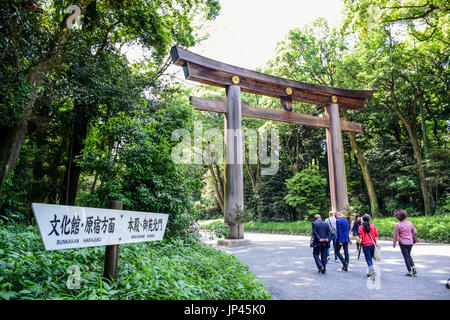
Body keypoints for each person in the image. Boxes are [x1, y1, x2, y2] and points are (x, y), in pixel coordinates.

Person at [393, 209, 418, 277]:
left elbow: (396, 235)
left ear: (398, 217)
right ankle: (413, 267)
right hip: (410, 242)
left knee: (406, 256)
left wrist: (394, 243)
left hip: (403, 243)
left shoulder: (398, 225)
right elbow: (415, 231)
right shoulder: (410, 223)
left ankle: (409, 271)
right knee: (408, 255)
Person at [358, 214, 379, 279]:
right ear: (369, 219)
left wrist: (359, 243)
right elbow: (376, 235)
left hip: (365, 245)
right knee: (370, 258)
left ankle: (372, 271)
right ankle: (370, 272)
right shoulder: (373, 226)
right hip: (372, 244)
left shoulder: (360, 227)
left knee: (368, 258)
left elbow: (360, 237)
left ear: (363, 220)